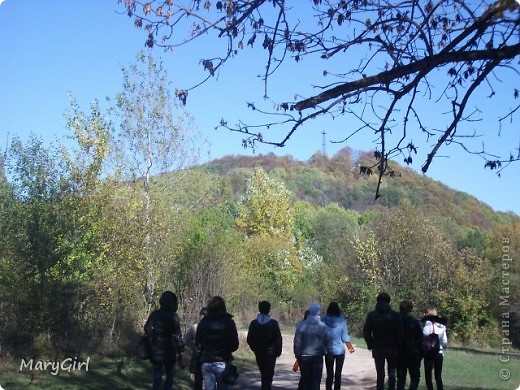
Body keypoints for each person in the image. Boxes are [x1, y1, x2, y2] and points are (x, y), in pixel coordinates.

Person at [194, 296, 239, 390]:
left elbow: (198, 344)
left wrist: (195, 364)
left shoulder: (203, 323)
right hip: (222, 360)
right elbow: (234, 344)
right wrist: (227, 350)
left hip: (206, 361)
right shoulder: (229, 322)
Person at [144, 291, 185, 390]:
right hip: (169, 349)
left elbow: (147, 328)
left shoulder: (155, 314)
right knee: (170, 376)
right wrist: (180, 350)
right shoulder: (174, 316)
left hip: (156, 348)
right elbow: (177, 335)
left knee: (157, 376)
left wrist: (153, 336)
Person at [363, 292, 404, 390]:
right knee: (392, 374)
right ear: (389, 301)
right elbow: (400, 332)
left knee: (380, 374)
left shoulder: (372, 315)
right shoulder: (395, 315)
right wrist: (400, 345)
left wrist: (370, 343)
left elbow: (366, 331)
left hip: (378, 346)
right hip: (392, 347)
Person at [247, 300, 283, 390]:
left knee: (263, 373)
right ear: (269, 309)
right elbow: (278, 338)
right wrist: (278, 351)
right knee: (268, 375)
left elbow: (249, 339)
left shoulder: (254, 323)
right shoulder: (273, 323)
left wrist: (254, 348)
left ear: (259, 309)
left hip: (259, 352)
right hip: (271, 353)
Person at [293, 303, 331, 390]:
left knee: (305, 380)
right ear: (319, 313)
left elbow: (297, 341)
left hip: (304, 356)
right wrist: (329, 353)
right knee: (316, 380)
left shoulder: (301, 326)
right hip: (318, 357)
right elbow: (328, 343)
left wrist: (297, 353)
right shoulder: (324, 327)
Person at [322, 302, 355, 390]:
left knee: (329, 374)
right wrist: (350, 346)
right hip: (340, 351)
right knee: (338, 374)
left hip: (328, 350)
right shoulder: (342, 320)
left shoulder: (324, 319)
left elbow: (320, 335)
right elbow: (344, 337)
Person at [396, 300, 423, 390]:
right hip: (413, 351)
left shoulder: (395, 320)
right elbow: (421, 338)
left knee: (401, 378)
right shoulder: (415, 321)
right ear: (410, 309)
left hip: (400, 352)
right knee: (415, 377)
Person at [422, 305, 448, 390]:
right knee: (438, 376)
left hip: (429, 352)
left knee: (428, 376)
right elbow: (444, 341)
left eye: (425, 312)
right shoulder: (442, 325)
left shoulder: (426, 325)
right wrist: (442, 350)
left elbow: (423, 337)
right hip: (439, 352)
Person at [186, 307, 207, 390]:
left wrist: (193, 347)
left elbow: (186, 340)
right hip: (209, 358)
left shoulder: (195, 327)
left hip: (198, 357)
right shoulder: (214, 328)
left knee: (198, 382)